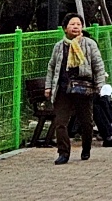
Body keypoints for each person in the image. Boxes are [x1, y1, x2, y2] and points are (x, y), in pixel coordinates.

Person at [44, 13, 106, 164]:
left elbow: (98, 66)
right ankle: (63, 152)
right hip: (63, 89)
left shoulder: (89, 44)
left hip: (83, 90)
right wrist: (48, 87)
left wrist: (100, 86)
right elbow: (51, 67)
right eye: (72, 24)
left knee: (86, 122)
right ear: (65, 28)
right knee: (60, 123)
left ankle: (86, 148)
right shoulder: (59, 46)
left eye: (79, 24)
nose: (76, 27)